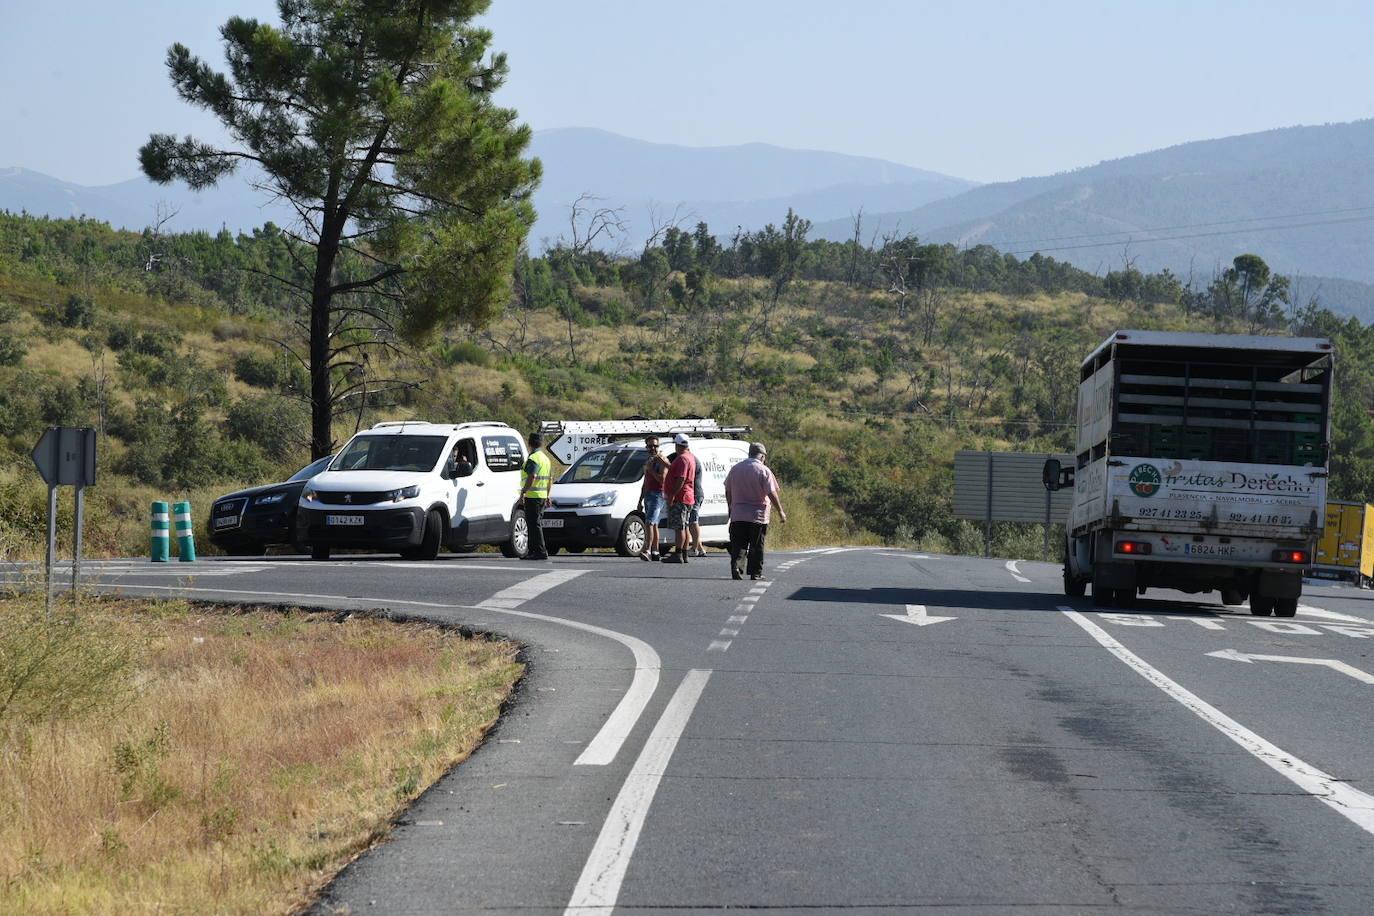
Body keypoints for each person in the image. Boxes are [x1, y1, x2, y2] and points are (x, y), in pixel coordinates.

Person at [724, 441, 786, 580]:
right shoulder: (764, 470)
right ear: (762, 456)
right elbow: (771, 493)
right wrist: (780, 511)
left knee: (738, 544)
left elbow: (728, 490)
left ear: (749, 454)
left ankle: (737, 567)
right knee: (756, 545)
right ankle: (755, 573)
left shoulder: (735, 469)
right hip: (757, 515)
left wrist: (730, 506)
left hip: (738, 514)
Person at [661, 433, 697, 564]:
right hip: (687, 496)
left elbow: (681, 478)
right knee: (685, 526)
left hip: (681, 497)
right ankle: (684, 553)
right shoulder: (690, 457)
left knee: (679, 528)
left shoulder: (682, 459)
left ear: (677, 445)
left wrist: (672, 495)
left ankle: (678, 554)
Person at [635, 435, 670, 560]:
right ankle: (655, 551)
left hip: (658, 494)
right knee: (654, 524)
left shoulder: (662, 460)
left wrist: (652, 470)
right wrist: (640, 500)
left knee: (649, 522)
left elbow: (662, 480)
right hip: (649, 494)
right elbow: (645, 482)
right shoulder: (648, 461)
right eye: (650, 446)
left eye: (655, 446)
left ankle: (647, 550)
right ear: (646, 448)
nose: (653, 448)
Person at [519, 431, 553, 560]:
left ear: (529, 444)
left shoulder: (533, 458)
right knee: (535, 524)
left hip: (532, 496)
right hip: (542, 496)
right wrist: (548, 496)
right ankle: (534, 551)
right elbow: (550, 479)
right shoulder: (545, 459)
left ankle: (539, 551)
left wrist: (523, 492)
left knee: (534, 525)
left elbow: (532, 476)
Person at [687, 447, 707, 557]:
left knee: (693, 521)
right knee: (692, 521)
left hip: (694, 493)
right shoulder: (692, 459)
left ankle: (694, 548)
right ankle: (700, 547)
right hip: (695, 493)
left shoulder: (692, 460)